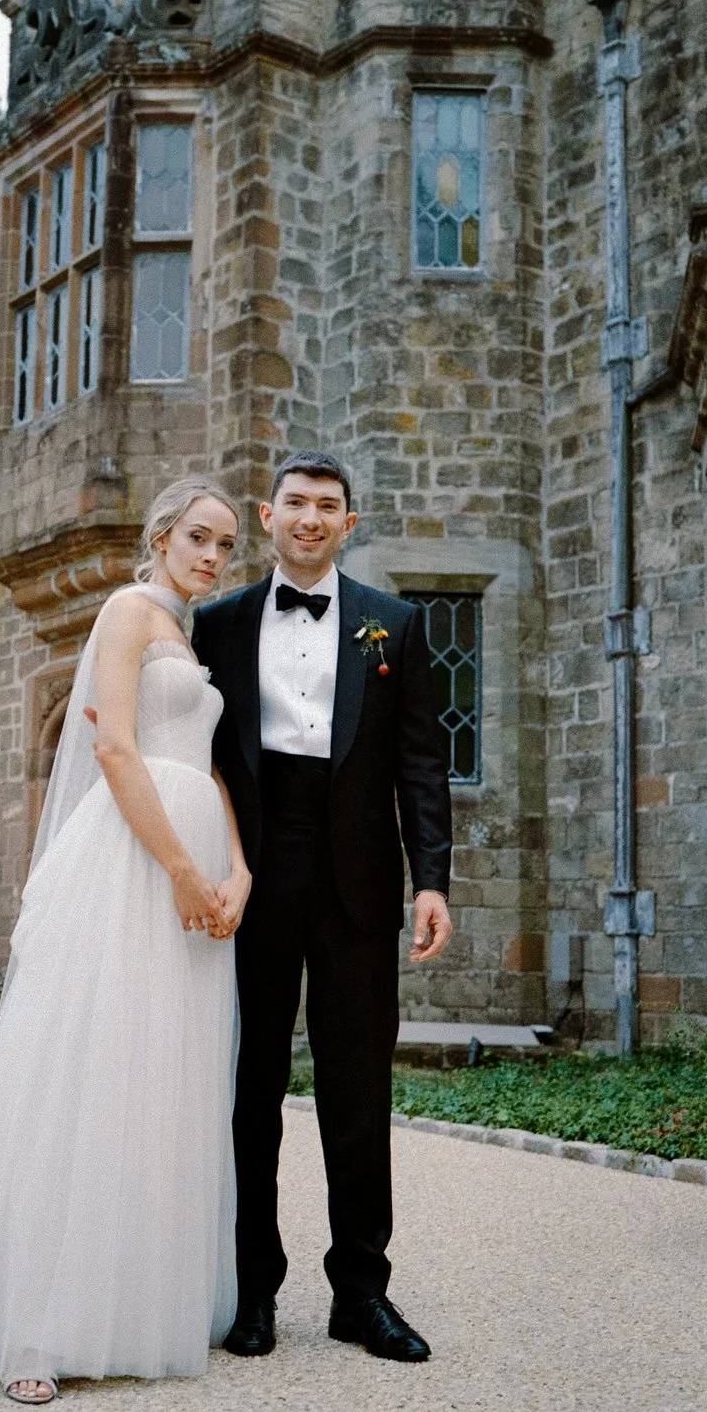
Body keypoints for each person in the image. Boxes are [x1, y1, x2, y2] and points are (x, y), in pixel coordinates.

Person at [0, 478, 251, 1404]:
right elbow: (116, 750)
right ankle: (30, 1327)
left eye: (226, 545)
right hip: (135, 865)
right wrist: (181, 870)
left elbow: (205, 766)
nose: (213, 556)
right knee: (89, 1075)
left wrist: (238, 869)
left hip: (198, 866)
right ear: (160, 537)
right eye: (199, 538)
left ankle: (125, 1307)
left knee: (161, 1084)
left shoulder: (187, 635)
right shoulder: (126, 612)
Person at [191, 450, 453, 1364]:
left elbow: (421, 762)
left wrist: (431, 881)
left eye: (327, 505)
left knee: (358, 1091)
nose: (310, 517)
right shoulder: (216, 623)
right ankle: (252, 1291)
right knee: (248, 1088)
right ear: (268, 516)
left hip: (359, 878)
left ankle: (361, 1294)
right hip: (252, 871)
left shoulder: (395, 623)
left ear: (349, 522)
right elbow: (198, 755)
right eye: (295, 502)